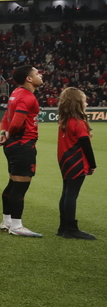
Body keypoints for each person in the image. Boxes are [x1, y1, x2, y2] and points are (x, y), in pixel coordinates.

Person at [0, 65, 43, 237]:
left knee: (12, 183)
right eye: (37, 73)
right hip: (23, 145)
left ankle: (7, 220)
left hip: (13, 145)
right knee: (20, 186)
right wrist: (10, 132)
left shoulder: (16, 93)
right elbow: (16, 123)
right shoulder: (27, 97)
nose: (41, 75)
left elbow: (5, 117)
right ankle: (16, 225)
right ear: (29, 79)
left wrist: (4, 133)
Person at [56, 87, 96, 240]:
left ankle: (63, 227)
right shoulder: (78, 122)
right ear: (78, 102)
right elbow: (85, 144)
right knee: (71, 194)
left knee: (66, 193)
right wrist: (92, 164)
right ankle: (71, 229)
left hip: (65, 160)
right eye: (84, 100)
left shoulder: (65, 121)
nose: (86, 103)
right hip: (76, 161)